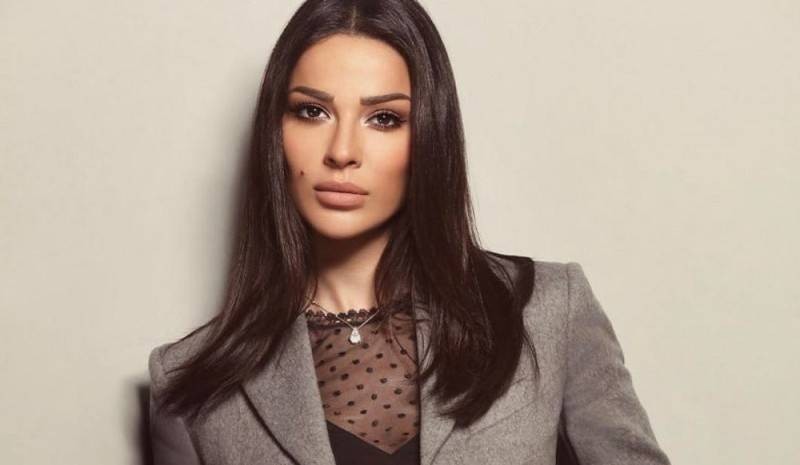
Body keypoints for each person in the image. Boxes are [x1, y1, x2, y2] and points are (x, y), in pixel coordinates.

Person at [147, 1, 672, 464]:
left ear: (428, 136)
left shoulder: (549, 311)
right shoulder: (190, 386)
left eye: (384, 118)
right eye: (312, 111)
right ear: (275, 131)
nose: (342, 151)